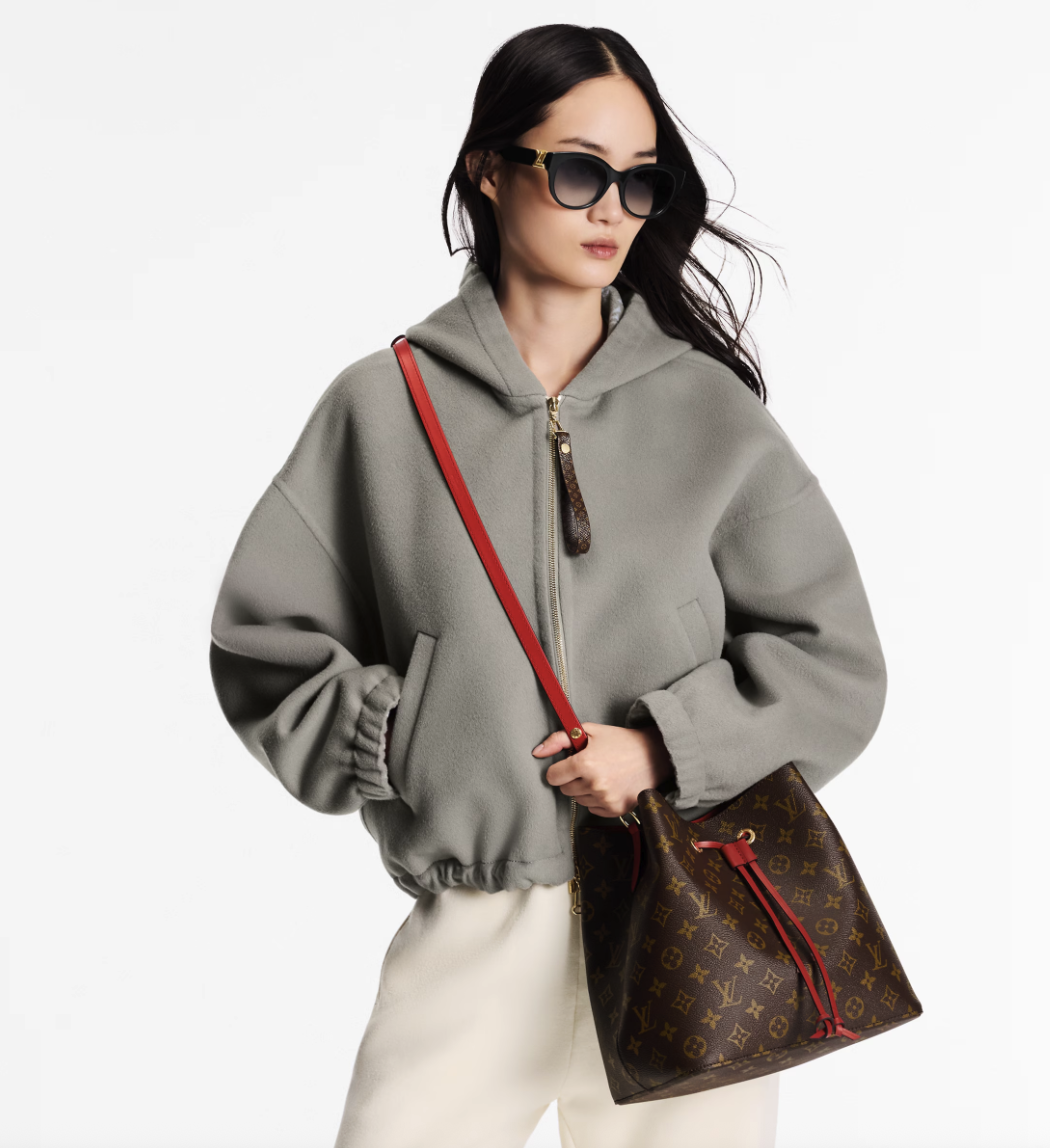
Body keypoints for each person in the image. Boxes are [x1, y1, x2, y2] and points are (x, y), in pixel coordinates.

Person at [208, 22, 888, 1148]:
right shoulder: (382, 406)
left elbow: (833, 660)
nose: (611, 209)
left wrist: (663, 747)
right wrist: (396, 735)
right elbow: (264, 639)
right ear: (490, 168)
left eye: (637, 180)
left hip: (683, 913)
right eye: (578, 171)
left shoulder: (706, 411)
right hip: (480, 923)